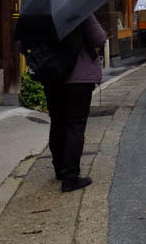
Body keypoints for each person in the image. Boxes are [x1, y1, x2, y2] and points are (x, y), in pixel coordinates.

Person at [43, 13, 105, 192]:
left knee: (58, 122)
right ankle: (70, 177)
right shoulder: (80, 9)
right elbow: (99, 39)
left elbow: (25, 44)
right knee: (75, 126)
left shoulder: (42, 13)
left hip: (51, 76)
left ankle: (59, 169)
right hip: (78, 77)